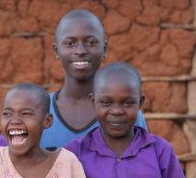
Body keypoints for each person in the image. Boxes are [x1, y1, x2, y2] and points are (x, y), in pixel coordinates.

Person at [42, 9, 146, 151]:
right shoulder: (40, 110)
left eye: (91, 42)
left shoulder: (126, 112)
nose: (80, 51)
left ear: (104, 48)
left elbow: (141, 164)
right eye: (70, 43)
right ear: (56, 51)